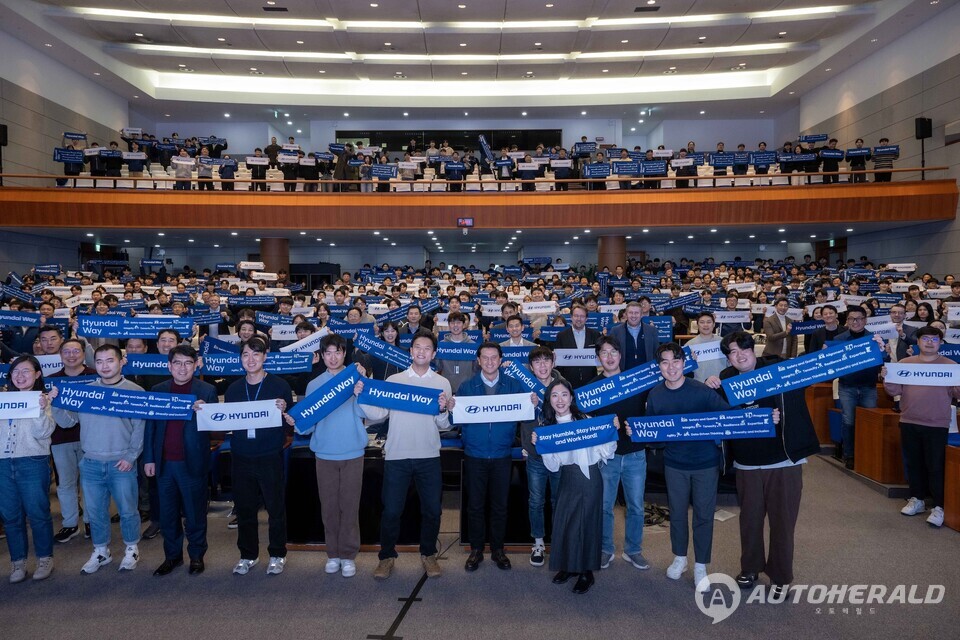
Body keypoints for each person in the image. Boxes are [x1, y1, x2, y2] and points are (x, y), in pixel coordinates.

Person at [708, 332, 816, 596]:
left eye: (743, 348)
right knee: (750, 521)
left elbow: (821, 369)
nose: (739, 355)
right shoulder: (726, 379)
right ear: (727, 358)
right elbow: (723, 415)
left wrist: (874, 350)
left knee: (782, 522)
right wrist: (710, 387)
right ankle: (750, 568)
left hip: (782, 461)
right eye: (732, 352)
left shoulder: (778, 370)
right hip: (746, 463)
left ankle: (780, 576)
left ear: (752, 349)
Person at [359, 330, 452, 580]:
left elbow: (444, 425)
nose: (421, 351)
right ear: (410, 351)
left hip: (429, 456)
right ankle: (386, 557)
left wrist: (444, 410)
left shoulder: (442, 383)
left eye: (427, 348)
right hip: (397, 456)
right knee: (391, 510)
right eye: (417, 347)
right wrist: (362, 395)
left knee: (432, 510)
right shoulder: (395, 380)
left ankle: (429, 554)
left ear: (433, 354)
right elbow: (378, 414)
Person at [640, 343, 731, 593]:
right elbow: (652, 435)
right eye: (665, 362)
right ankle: (679, 557)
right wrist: (638, 432)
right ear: (659, 367)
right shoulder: (655, 395)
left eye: (676, 361)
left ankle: (701, 565)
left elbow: (727, 416)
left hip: (705, 463)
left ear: (684, 363)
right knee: (677, 514)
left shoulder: (701, 391)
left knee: (703, 515)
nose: (671, 367)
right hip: (675, 464)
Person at [50, 344, 146, 574]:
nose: (104, 366)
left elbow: (139, 428)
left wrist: (131, 457)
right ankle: (101, 551)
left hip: (121, 463)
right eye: (100, 362)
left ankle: (132, 548)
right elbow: (66, 422)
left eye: (109, 361)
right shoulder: (86, 392)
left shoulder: (135, 391)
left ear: (121, 361)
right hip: (91, 463)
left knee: (128, 510)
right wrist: (55, 402)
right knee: (95, 513)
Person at [284, 334, 369, 577]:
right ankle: (333, 553)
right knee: (329, 508)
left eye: (337, 352)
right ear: (321, 356)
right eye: (328, 353)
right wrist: (295, 421)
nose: (333, 357)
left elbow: (369, 413)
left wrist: (363, 387)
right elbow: (308, 424)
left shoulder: (356, 379)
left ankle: (348, 555)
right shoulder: (314, 384)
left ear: (345, 354)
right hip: (324, 454)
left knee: (350, 507)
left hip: (353, 452)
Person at [451, 342, 535, 572]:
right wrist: (450, 407)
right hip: (474, 454)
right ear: (478, 361)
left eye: (493, 358)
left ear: (500, 360)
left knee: (500, 505)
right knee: (475, 505)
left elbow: (527, 415)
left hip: (501, 454)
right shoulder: (467, 386)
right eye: (485, 358)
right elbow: (454, 420)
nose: (489, 362)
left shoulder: (514, 385)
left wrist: (533, 404)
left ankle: (498, 549)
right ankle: (476, 550)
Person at [532, 378, 616, 595]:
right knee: (566, 521)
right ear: (549, 401)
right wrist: (540, 445)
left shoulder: (587, 420)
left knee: (587, 523)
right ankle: (569, 567)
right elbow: (552, 466)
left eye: (564, 395)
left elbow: (607, 451)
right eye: (554, 396)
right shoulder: (548, 428)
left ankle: (587, 572)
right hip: (567, 477)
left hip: (590, 477)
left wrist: (611, 431)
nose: (560, 400)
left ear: (571, 397)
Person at [143, 345, 218, 576]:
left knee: (195, 514)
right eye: (177, 363)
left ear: (196, 365)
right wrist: (149, 459)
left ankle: (196, 556)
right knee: (167, 515)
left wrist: (206, 413)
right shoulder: (158, 390)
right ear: (169, 366)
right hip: (164, 464)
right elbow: (150, 428)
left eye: (188, 363)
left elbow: (217, 429)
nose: (182, 368)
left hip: (192, 464)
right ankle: (172, 556)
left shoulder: (206, 391)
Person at [224, 337, 293, 576]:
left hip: (269, 455)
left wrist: (285, 411)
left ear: (265, 357)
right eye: (245, 355)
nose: (250, 359)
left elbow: (291, 422)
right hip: (241, 456)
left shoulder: (280, 385)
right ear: (240, 359)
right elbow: (223, 421)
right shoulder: (233, 389)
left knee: (275, 508)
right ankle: (248, 555)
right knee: (245, 510)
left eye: (256, 354)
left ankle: (277, 553)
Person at [882, 326, 960, 527]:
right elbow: (893, 391)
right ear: (917, 342)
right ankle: (916, 499)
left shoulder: (950, 366)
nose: (929, 342)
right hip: (909, 421)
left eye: (934, 339)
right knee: (914, 463)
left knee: (935, 466)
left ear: (940, 343)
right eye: (925, 338)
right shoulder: (905, 363)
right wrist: (887, 376)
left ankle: (939, 506)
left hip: (937, 423)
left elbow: (958, 394)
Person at [588, 336, 650, 572]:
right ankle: (606, 549)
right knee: (605, 505)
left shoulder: (634, 381)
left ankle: (633, 550)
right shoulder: (593, 387)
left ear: (620, 355)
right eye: (604, 353)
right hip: (607, 457)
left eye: (614, 351)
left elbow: (650, 410)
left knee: (636, 505)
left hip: (635, 453)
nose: (610, 357)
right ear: (598, 357)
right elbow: (587, 424)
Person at [0, 355, 56, 583]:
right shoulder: (2, 399)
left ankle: (44, 558)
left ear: (37, 374)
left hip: (32, 461)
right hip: (3, 463)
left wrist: (42, 410)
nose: (20, 376)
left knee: (38, 514)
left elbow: (44, 433)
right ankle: (18, 562)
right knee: (11, 516)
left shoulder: (43, 399)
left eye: (26, 371)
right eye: (16, 372)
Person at [520, 347, 564, 567]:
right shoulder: (524, 385)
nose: (543, 365)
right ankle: (538, 543)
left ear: (553, 362)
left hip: (559, 456)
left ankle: (558, 542)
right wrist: (524, 443)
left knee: (559, 501)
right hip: (535, 456)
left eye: (546, 360)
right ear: (531, 366)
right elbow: (515, 416)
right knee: (536, 501)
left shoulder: (563, 385)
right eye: (537, 362)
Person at [48, 338, 95, 543]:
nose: (71, 355)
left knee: (89, 483)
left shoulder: (95, 376)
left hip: (91, 438)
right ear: (60, 355)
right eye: (66, 352)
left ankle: (91, 521)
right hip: (61, 439)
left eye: (76, 351)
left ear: (83, 354)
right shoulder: (52, 380)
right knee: (66, 484)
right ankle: (70, 524)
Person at [834, 306, 883, 468]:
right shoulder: (839, 339)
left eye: (859, 318)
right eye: (852, 319)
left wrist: (885, 351)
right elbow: (833, 364)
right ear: (847, 321)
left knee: (870, 421)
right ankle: (849, 455)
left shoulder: (875, 338)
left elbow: (882, 360)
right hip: (847, 386)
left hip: (869, 386)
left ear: (865, 320)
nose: (855, 322)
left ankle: (868, 454)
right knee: (849, 421)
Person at [554, 304, 602, 389]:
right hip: (568, 382)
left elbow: (600, 357)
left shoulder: (595, 334)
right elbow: (559, 362)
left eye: (582, 316)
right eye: (576, 316)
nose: (579, 319)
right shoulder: (561, 336)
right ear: (571, 317)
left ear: (586, 319)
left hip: (591, 381)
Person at [607, 300, 661, 371]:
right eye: (630, 313)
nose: (633, 316)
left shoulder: (651, 330)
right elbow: (611, 353)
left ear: (642, 314)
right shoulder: (615, 331)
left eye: (636, 313)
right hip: (623, 374)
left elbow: (656, 353)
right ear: (626, 314)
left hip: (647, 373)